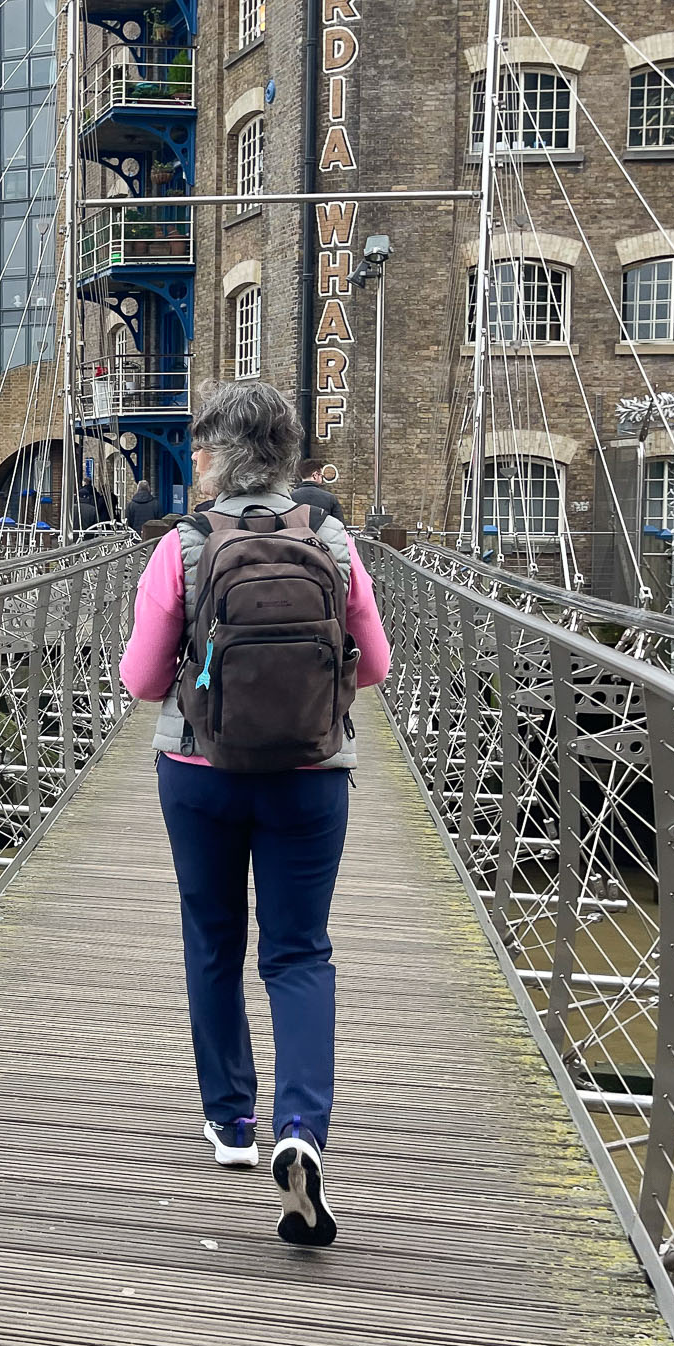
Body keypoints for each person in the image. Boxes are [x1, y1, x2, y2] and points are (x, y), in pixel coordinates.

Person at [119, 381, 391, 1247]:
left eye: (198, 450)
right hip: (310, 773)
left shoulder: (184, 545)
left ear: (217, 458)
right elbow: (375, 665)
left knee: (213, 939)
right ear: (284, 460)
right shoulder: (334, 540)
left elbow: (138, 680)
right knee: (300, 952)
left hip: (198, 772)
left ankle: (230, 1126)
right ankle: (300, 1129)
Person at [291, 457, 345, 525]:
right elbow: (340, 526)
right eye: (321, 476)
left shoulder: (291, 497)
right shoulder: (330, 498)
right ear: (315, 475)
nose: (322, 479)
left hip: (297, 534)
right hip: (324, 535)